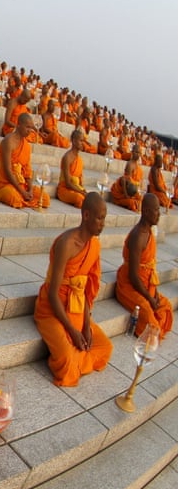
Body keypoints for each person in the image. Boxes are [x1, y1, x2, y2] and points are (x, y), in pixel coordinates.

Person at [34, 193, 113, 387]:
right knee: (67, 364)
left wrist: (85, 326)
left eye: (104, 219)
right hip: (52, 310)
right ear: (86, 215)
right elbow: (52, 294)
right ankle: (75, 358)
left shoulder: (94, 245)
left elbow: (82, 290)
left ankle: (77, 357)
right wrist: (72, 330)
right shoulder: (67, 244)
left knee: (105, 347)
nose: (103, 224)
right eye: (99, 218)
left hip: (76, 307)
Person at [116, 193, 173, 339]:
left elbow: (149, 269)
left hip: (146, 283)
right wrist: (149, 298)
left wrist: (154, 292)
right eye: (156, 210)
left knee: (165, 306)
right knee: (148, 313)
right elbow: (133, 276)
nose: (159, 214)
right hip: (129, 285)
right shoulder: (138, 236)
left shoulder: (148, 232)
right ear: (146, 211)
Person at [0, 113, 49, 209]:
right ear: (18, 125)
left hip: (22, 184)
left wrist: (30, 190)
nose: (29, 130)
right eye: (27, 127)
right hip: (5, 184)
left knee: (45, 198)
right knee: (15, 198)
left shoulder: (27, 146)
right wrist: (22, 192)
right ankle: (24, 199)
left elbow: (27, 172)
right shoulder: (8, 141)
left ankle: (26, 199)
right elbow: (8, 170)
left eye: (31, 128)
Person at [56, 130, 88, 208]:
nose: (82, 143)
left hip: (75, 189)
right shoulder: (67, 157)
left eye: (83, 141)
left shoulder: (79, 159)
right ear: (74, 141)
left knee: (89, 198)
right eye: (80, 141)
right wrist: (81, 192)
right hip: (64, 189)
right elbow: (68, 183)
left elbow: (80, 181)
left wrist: (82, 190)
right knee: (80, 198)